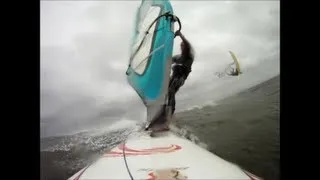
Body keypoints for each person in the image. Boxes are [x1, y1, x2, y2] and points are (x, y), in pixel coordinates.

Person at [167, 31, 195, 115]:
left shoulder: (189, 56)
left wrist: (181, 36)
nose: (182, 47)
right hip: (174, 76)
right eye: (181, 46)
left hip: (181, 77)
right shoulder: (178, 57)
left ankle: (171, 111)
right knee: (166, 91)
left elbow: (187, 45)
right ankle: (165, 109)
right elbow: (168, 61)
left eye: (183, 46)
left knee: (171, 90)